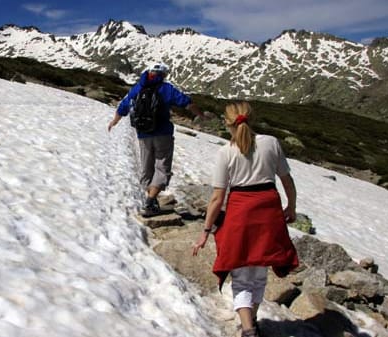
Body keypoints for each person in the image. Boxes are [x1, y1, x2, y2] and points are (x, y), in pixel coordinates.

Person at [192, 101, 299, 337]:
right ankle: (253, 320)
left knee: (241, 273)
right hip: (268, 212)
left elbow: (217, 198)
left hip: (240, 214)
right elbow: (287, 182)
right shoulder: (271, 143)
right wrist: (291, 207)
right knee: (260, 270)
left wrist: (205, 231)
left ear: (227, 123)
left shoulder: (225, 152)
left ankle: (248, 328)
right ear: (252, 119)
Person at [108, 62, 205, 216]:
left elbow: (123, 106)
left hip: (143, 134)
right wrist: (200, 115)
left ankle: (150, 199)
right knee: (162, 167)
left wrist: (115, 121)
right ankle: (150, 201)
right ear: (163, 75)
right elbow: (186, 102)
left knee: (147, 166)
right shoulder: (166, 89)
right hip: (163, 134)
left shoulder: (138, 87)